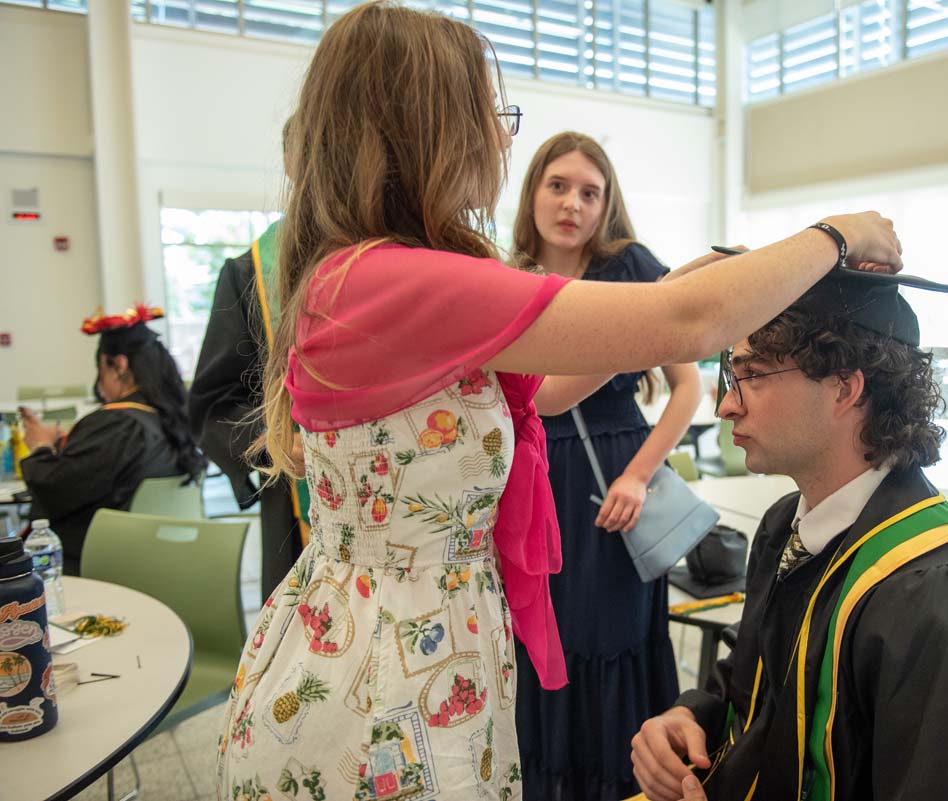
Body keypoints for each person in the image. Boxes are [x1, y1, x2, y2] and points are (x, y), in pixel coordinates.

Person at [213, 4, 902, 800]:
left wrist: (677, 282)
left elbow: (555, 381)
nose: (502, 138)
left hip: (416, 636)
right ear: (426, 124)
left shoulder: (370, 275)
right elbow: (687, 324)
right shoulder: (394, 279)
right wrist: (836, 234)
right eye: (490, 113)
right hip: (384, 671)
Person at [631, 269, 948, 801]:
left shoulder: (939, 599)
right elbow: (757, 679)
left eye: (751, 376)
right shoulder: (786, 526)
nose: (727, 405)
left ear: (844, 388)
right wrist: (691, 716)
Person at [508, 132, 701, 800]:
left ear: (607, 205)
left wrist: (639, 475)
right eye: (558, 185)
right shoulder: (504, 279)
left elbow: (688, 386)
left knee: (612, 634)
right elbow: (531, 397)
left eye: (591, 192)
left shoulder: (629, 267)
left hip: (618, 472)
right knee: (546, 638)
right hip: (535, 481)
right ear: (532, 190)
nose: (572, 203)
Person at [19, 305, 206, 575]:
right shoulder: (172, 420)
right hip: (163, 562)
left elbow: (54, 488)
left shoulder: (117, 423)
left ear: (118, 365)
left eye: (101, 370)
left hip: (99, 565)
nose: (101, 385)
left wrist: (40, 447)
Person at [189, 199, 309, 604]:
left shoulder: (405, 253)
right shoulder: (251, 273)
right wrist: (270, 438)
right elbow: (214, 405)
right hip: (297, 516)